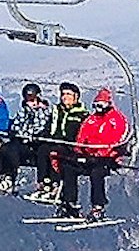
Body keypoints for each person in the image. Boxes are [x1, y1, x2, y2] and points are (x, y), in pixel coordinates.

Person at [69, 86, 131, 219]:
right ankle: (69, 203)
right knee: (69, 168)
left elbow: (118, 140)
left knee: (96, 173)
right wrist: (79, 151)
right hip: (89, 156)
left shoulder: (116, 119)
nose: (98, 108)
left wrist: (103, 153)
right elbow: (82, 135)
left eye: (101, 104)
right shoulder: (92, 119)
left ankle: (98, 206)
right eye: (96, 105)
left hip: (108, 157)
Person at [41, 79, 90, 216]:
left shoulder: (82, 115)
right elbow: (49, 128)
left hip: (71, 148)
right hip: (55, 143)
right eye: (63, 94)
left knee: (64, 163)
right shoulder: (57, 112)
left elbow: (82, 135)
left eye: (68, 94)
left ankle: (67, 199)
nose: (64, 97)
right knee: (44, 150)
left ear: (76, 97)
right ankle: (45, 184)